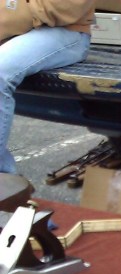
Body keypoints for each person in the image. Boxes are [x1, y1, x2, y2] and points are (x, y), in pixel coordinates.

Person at [0, 1, 95, 174]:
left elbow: (65, 6)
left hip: (64, 31)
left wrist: (8, 15)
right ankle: (9, 190)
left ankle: (4, 181)